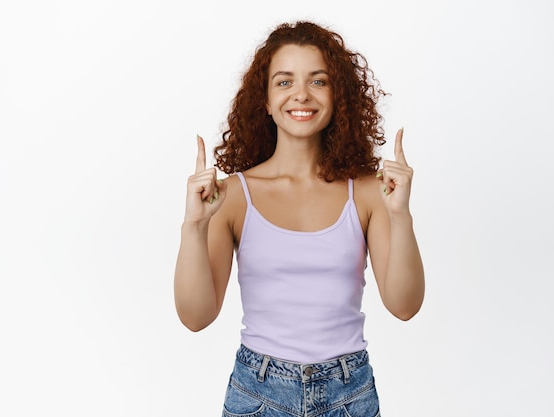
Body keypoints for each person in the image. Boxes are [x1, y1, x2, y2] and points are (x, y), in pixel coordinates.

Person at [174, 20, 424, 416]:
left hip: (349, 394)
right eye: (285, 82)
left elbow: (405, 306)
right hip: (259, 395)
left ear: (337, 94)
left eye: (318, 81)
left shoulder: (368, 192)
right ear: (266, 99)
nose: (301, 95)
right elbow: (195, 316)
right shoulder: (233, 196)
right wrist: (194, 226)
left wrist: (400, 216)